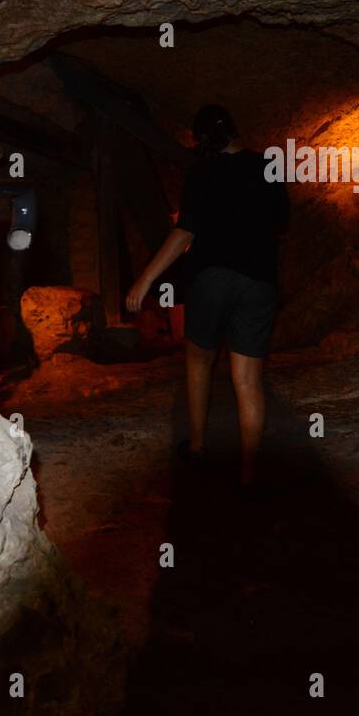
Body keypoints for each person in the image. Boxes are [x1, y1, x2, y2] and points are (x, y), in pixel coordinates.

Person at [125, 104, 290, 486]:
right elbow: (281, 222)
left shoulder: (200, 173)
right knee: (248, 378)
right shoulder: (268, 165)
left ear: (200, 140)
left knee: (199, 361)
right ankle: (249, 473)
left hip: (211, 277)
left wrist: (145, 280)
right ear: (235, 131)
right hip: (258, 280)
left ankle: (197, 447)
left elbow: (185, 232)